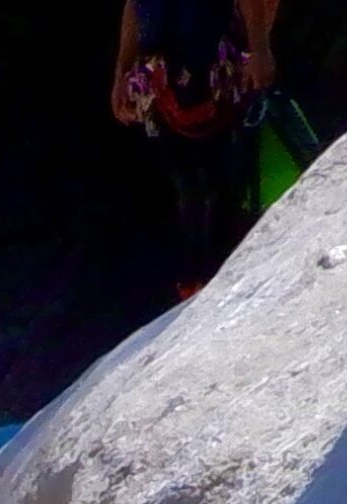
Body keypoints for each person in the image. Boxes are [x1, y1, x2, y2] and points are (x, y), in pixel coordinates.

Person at [112, 0, 283, 293]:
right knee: (188, 190)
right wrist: (122, 72)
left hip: (218, 68)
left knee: (222, 185)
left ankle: (222, 283)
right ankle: (195, 288)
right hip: (163, 79)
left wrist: (260, 49)